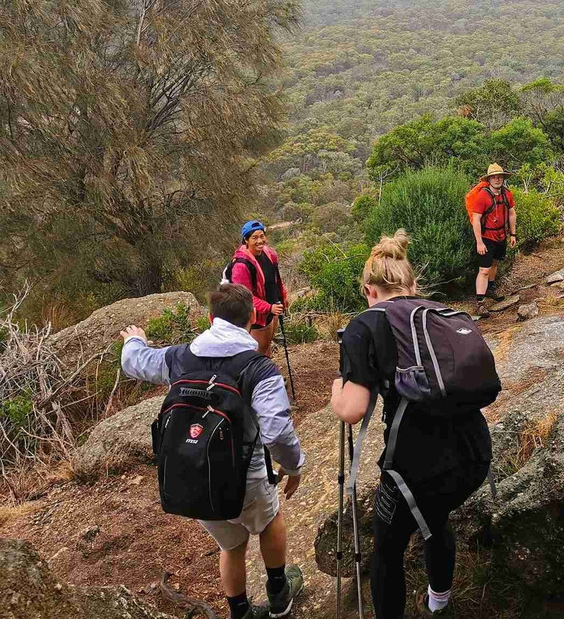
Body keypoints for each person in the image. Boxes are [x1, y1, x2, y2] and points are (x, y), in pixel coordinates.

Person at [331, 231, 492, 618]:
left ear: (368, 290)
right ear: (413, 285)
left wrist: (337, 389)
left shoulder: (364, 324)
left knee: (387, 545)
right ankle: (439, 602)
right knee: (435, 518)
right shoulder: (440, 314)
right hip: (474, 453)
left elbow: (352, 410)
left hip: (415, 467)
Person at [120, 283, 306, 619]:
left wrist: (135, 338)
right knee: (269, 521)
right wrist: (293, 466)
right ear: (252, 317)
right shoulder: (258, 368)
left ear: (210, 317)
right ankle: (279, 593)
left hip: (196, 473)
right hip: (246, 477)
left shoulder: (181, 357)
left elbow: (135, 362)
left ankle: (240, 611)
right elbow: (277, 430)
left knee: (231, 544)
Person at [226, 220, 288, 356]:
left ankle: (267, 374)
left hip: (272, 309)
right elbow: (245, 297)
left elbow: (275, 279)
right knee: (257, 352)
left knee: (266, 346)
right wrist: (268, 308)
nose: (260, 241)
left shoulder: (269, 254)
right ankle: (256, 375)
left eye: (262, 236)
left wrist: (282, 297)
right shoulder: (241, 266)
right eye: (254, 237)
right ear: (246, 240)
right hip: (256, 316)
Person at [464, 164, 517, 315]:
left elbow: (512, 213)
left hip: (501, 235)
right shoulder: (483, 196)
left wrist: (513, 234)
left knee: (495, 263)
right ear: (489, 179)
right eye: (494, 177)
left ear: (503, 178)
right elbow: (476, 219)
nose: (497, 179)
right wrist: (479, 242)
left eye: (499, 176)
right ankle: (480, 303)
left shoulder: (507, 194)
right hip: (486, 237)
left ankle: (490, 289)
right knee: (484, 270)